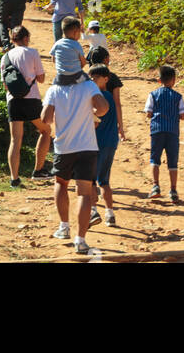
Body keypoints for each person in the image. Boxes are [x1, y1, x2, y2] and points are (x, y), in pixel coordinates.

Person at [41, 67, 109, 254]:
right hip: (87, 146)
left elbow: (45, 119)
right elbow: (103, 109)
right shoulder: (88, 86)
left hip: (64, 147)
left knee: (61, 184)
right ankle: (80, 239)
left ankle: (64, 227)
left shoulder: (54, 89)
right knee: (84, 193)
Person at [0, 25, 52, 188]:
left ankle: (14, 179)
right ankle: (38, 170)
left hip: (13, 101)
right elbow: (42, 79)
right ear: (26, 38)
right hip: (31, 99)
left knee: (15, 140)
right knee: (45, 131)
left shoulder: (5, 57)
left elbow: (5, 86)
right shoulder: (32, 53)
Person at [145, 64, 184, 202]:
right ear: (174, 80)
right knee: (172, 162)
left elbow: (148, 113)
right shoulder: (178, 97)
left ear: (159, 80)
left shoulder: (153, 94)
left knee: (154, 159)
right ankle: (173, 190)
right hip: (172, 132)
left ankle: (155, 186)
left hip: (157, 130)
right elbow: (183, 115)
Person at [89, 63, 120, 226]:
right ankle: (110, 213)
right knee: (105, 180)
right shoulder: (110, 97)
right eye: (91, 77)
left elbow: (95, 122)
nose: (93, 80)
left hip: (97, 143)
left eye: (96, 77)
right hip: (111, 142)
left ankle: (93, 211)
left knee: (91, 179)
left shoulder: (98, 98)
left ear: (106, 79)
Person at [87, 46, 126, 142]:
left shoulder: (89, 77)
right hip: (110, 118)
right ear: (106, 59)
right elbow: (117, 103)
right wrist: (120, 126)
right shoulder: (112, 77)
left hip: (94, 117)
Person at [50, 16, 87, 84]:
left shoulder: (57, 43)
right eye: (79, 32)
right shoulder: (76, 45)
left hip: (61, 76)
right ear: (75, 32)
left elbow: (53, 59)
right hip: (76, 75)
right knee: (88, 80)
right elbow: (83, 62)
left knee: (55, 82)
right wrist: (77, 69)